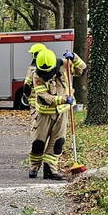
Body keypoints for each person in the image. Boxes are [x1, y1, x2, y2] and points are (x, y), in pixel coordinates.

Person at [29, 48, 85, 181]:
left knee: (58, 142)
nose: (45, 75)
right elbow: (45, 97)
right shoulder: (36, 75)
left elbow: (82, 70)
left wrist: (75, 58)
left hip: (62, 113)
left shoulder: (64, 65)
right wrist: (64, 99)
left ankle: (50, 169)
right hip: (44, 114)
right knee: (38, 143)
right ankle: (34, 167)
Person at [24, 43, 46, 128]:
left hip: (34, 99)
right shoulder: (50, 66)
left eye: (33, 53)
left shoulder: (32, 68)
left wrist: (27, 96)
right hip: (46, 100)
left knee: (36, 121)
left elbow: (27, 86)